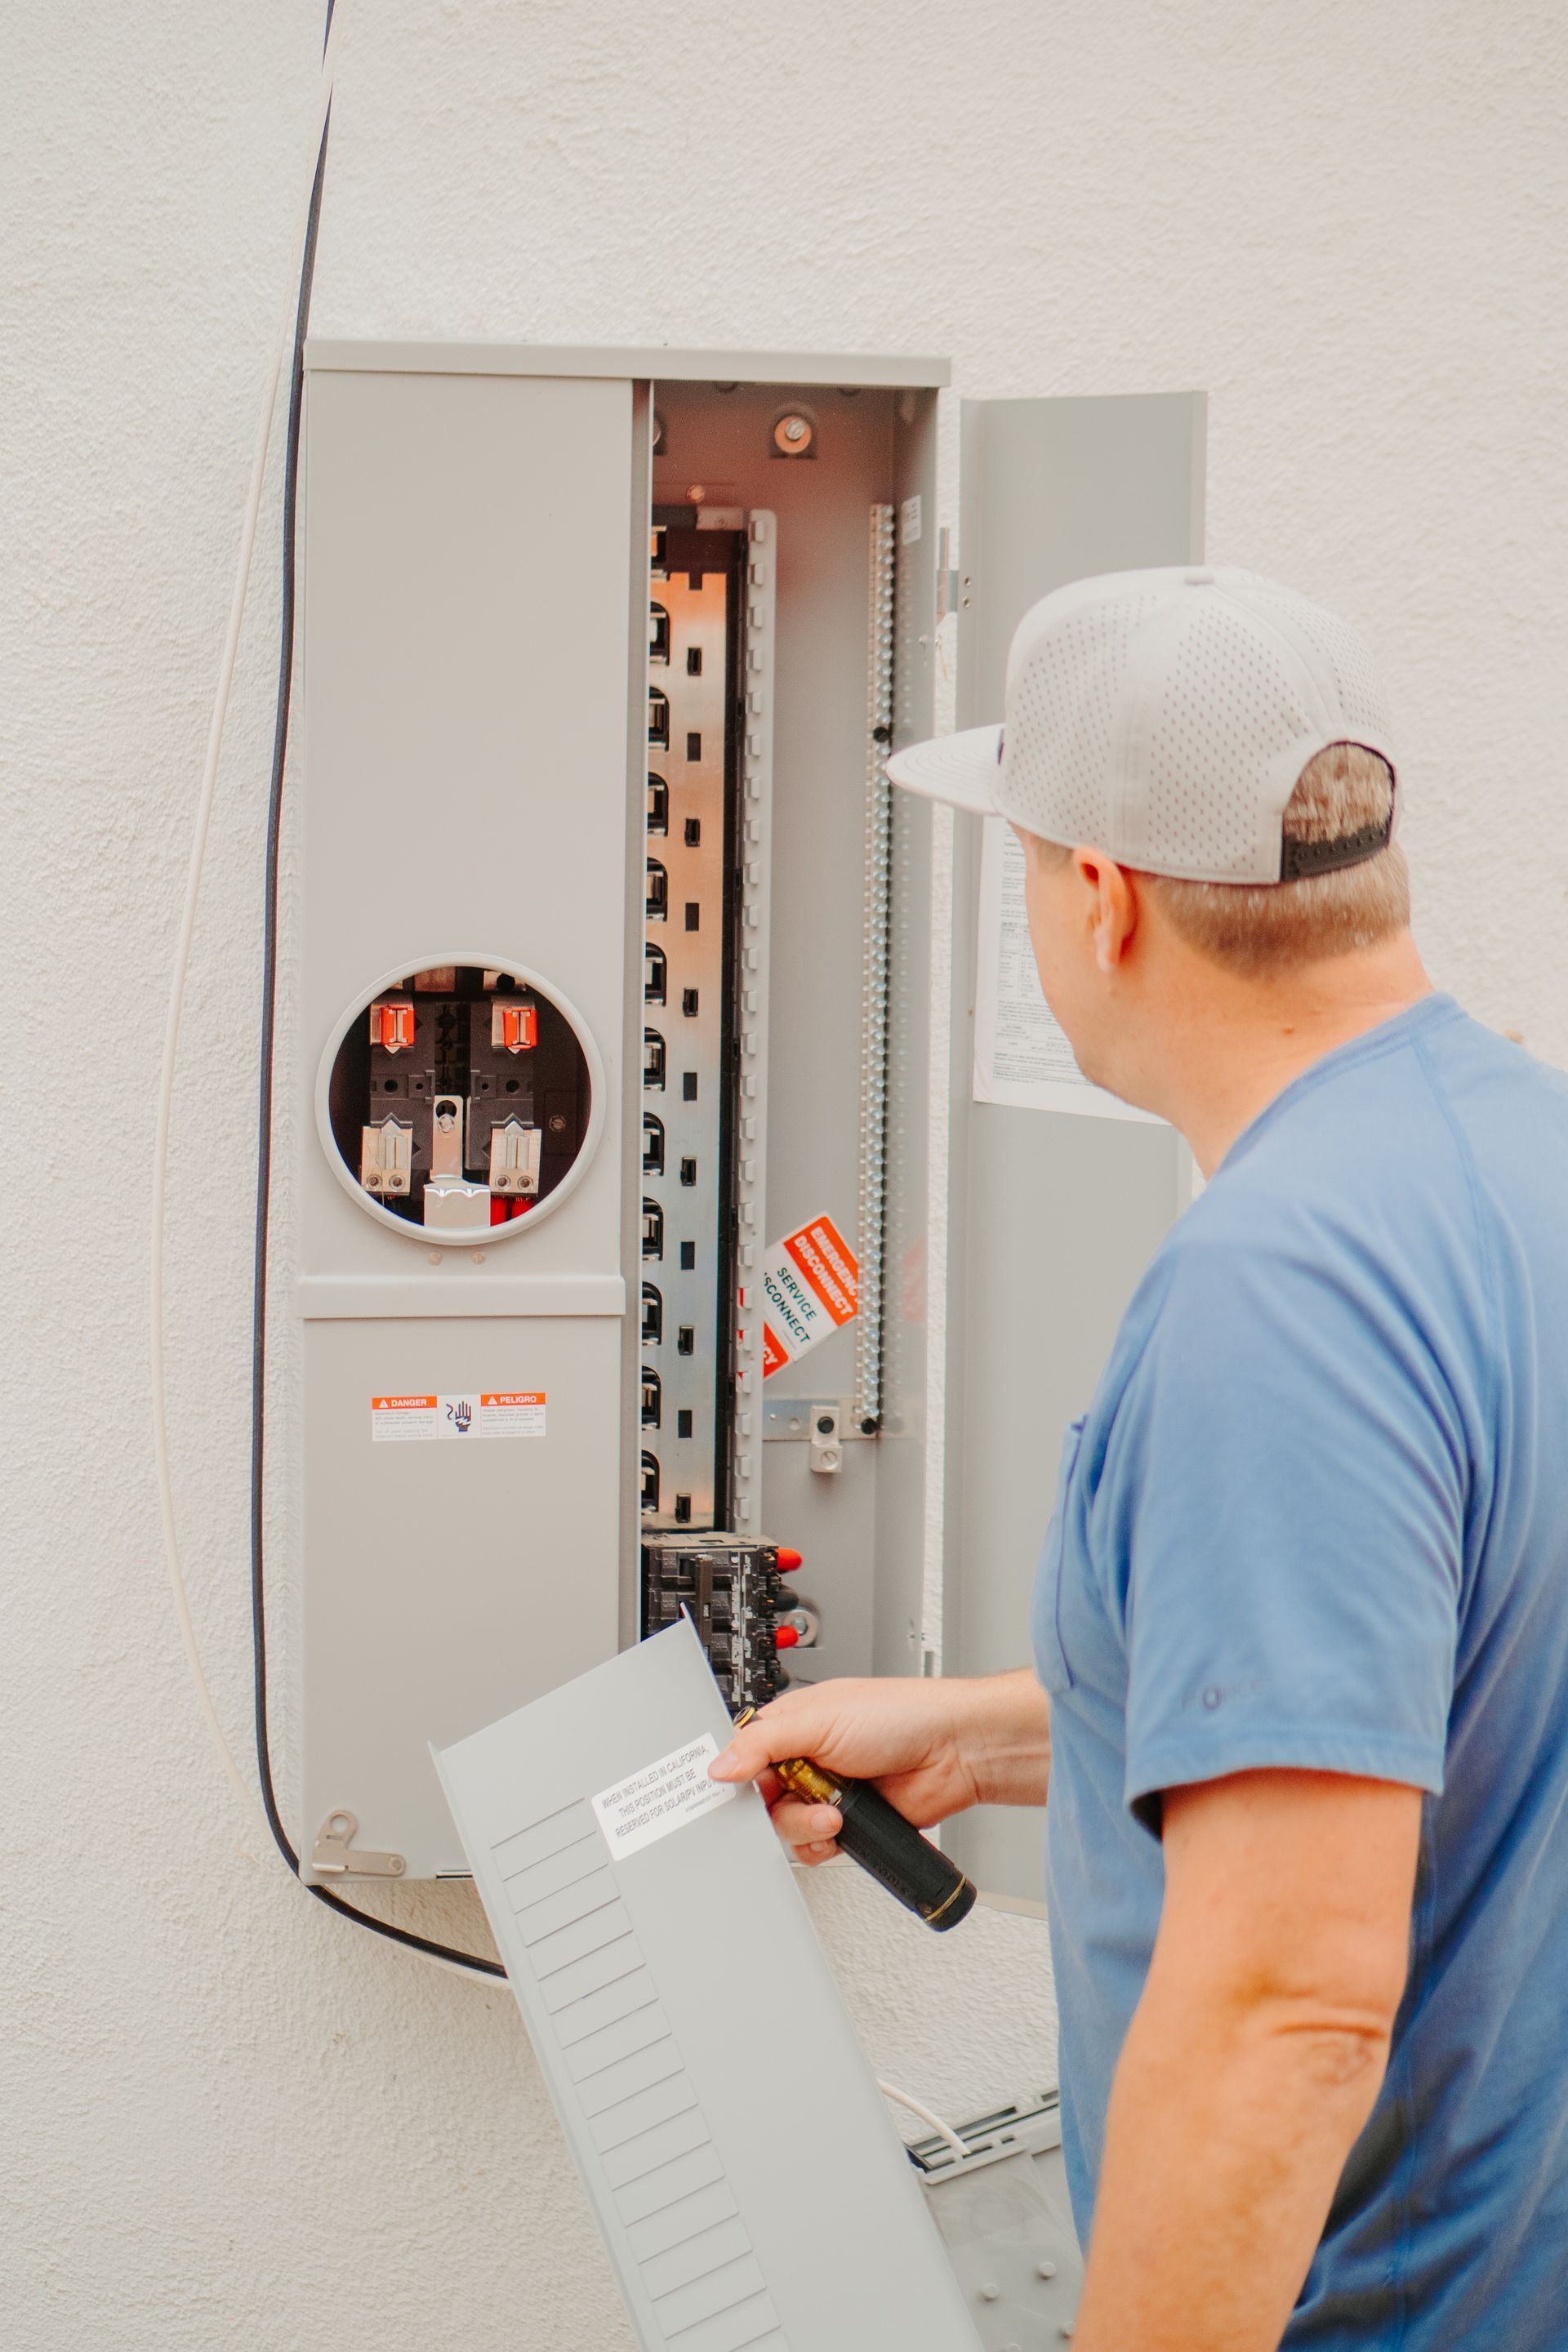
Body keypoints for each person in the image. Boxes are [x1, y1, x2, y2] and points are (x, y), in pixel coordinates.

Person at [710, 566, 1568, 2351]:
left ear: (1099, 900)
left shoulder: (1282, 1291)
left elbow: (1285, 2011)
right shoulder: (1516, 1153)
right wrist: (989, 1737)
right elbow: (1437, 1695)